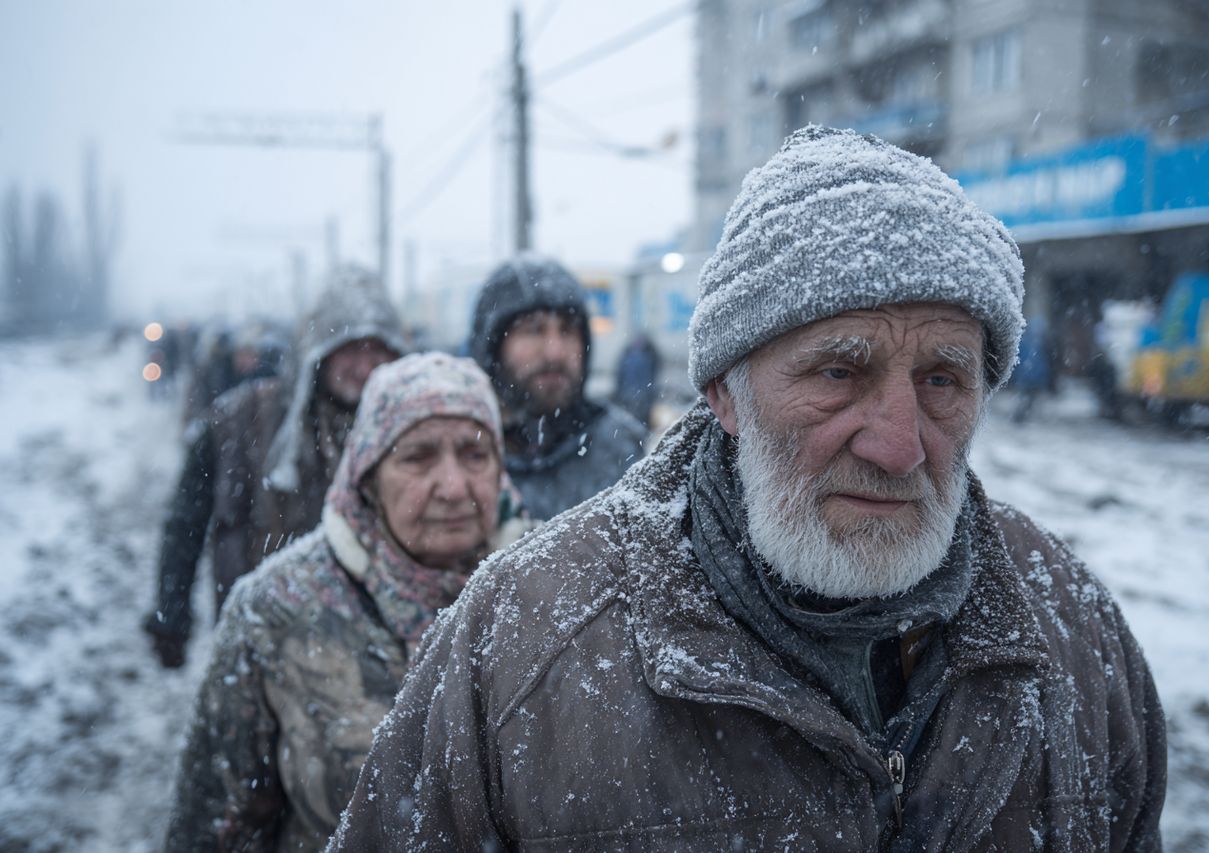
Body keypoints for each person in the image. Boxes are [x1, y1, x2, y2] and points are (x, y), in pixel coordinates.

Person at [328, 127, 1165, 851]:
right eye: (838, 372)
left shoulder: (1072, 631)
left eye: (943, 379)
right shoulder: (522, 643)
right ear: (724, 394)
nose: (900, 445)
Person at [164, 352, 530, 852]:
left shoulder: (547, 595)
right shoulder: (275, 611)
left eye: (475, 454)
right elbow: (213, 830)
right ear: (367, 476)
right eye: (418, 457)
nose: (452, 486)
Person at [142, 265, 406, 668]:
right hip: (264, 650)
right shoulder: (239, 421)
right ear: (318, 349)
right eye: (350, 348)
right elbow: (185, 523)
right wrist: (171, 613)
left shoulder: (410, 429)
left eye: (377, 349)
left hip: (381, 658)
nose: (364, 365)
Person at [467, 253, 648, 520]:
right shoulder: (459, 450)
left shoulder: (621, 449)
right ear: (492, 346)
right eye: (533, 330)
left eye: (567, 330)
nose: (555, 352)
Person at [614, 332, 661, 427]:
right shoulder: (628, 354)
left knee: (639, 419)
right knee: (631, 420)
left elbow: (654, 373)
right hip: (630, 393)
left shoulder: (649, 355)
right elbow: (620, 374)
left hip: (641, 394)